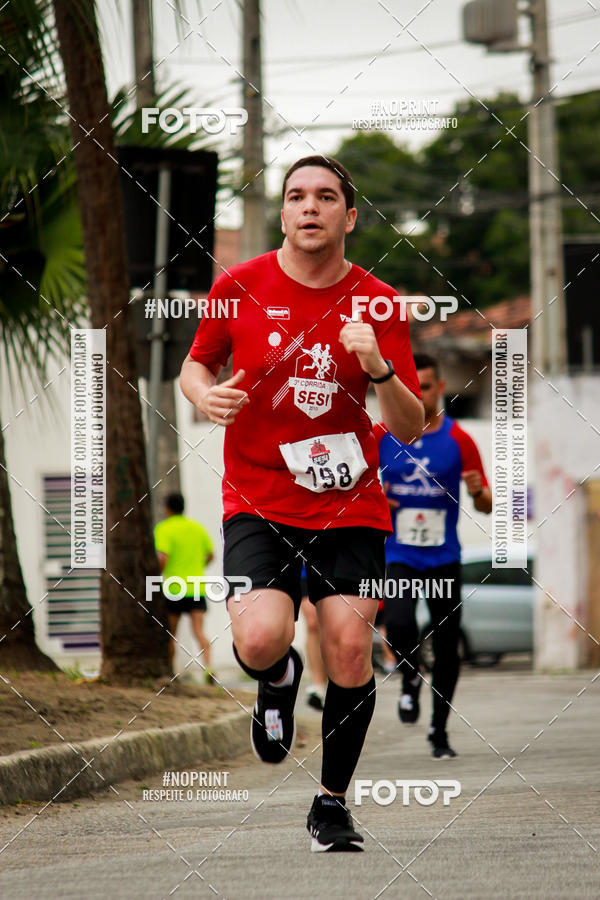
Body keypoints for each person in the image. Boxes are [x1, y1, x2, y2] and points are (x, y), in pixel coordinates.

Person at [180, 155, 423, 852]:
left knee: (349, 647)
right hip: (257, 495)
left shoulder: (380, 302)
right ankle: (279, 677)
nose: (309, 206)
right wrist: (205, 395)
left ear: (350, 216)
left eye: (325, 196)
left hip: (348, 504)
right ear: (283, 214)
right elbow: (196, 364)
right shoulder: (237, 286)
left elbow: (410, 426)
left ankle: (331, 805)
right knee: (259, 639)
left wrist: (377, 367)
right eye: (296, 196)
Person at [377, 353, 492, 758]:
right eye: (411, 387)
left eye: (424, 387)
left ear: (440, 388)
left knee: (446, 646)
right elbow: (357, 487)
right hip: (399, 553)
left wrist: (478, 491)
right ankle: (410, 677)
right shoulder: (382, 435)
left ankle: (438, 730)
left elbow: (486, 504)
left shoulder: (459, 439)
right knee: (398, 622)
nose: (418, 394)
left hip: (443, 556)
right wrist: (377, 497)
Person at [154, 492, 215, 681]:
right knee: (199, 631)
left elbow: (163, 557)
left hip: (174, 588)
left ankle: (171, 671)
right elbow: (210, 554)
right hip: (196, 587)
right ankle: (209, 668)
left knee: (171, 634)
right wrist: (199, 567)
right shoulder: (197, 528)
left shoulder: (163, 528)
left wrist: (157, 574)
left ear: (167, 509)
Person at [300, 565, 327, 710]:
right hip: (303, 568)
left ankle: (335, 680)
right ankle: (318, 685)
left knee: (332, 623)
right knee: (313, 622)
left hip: (333, 564)